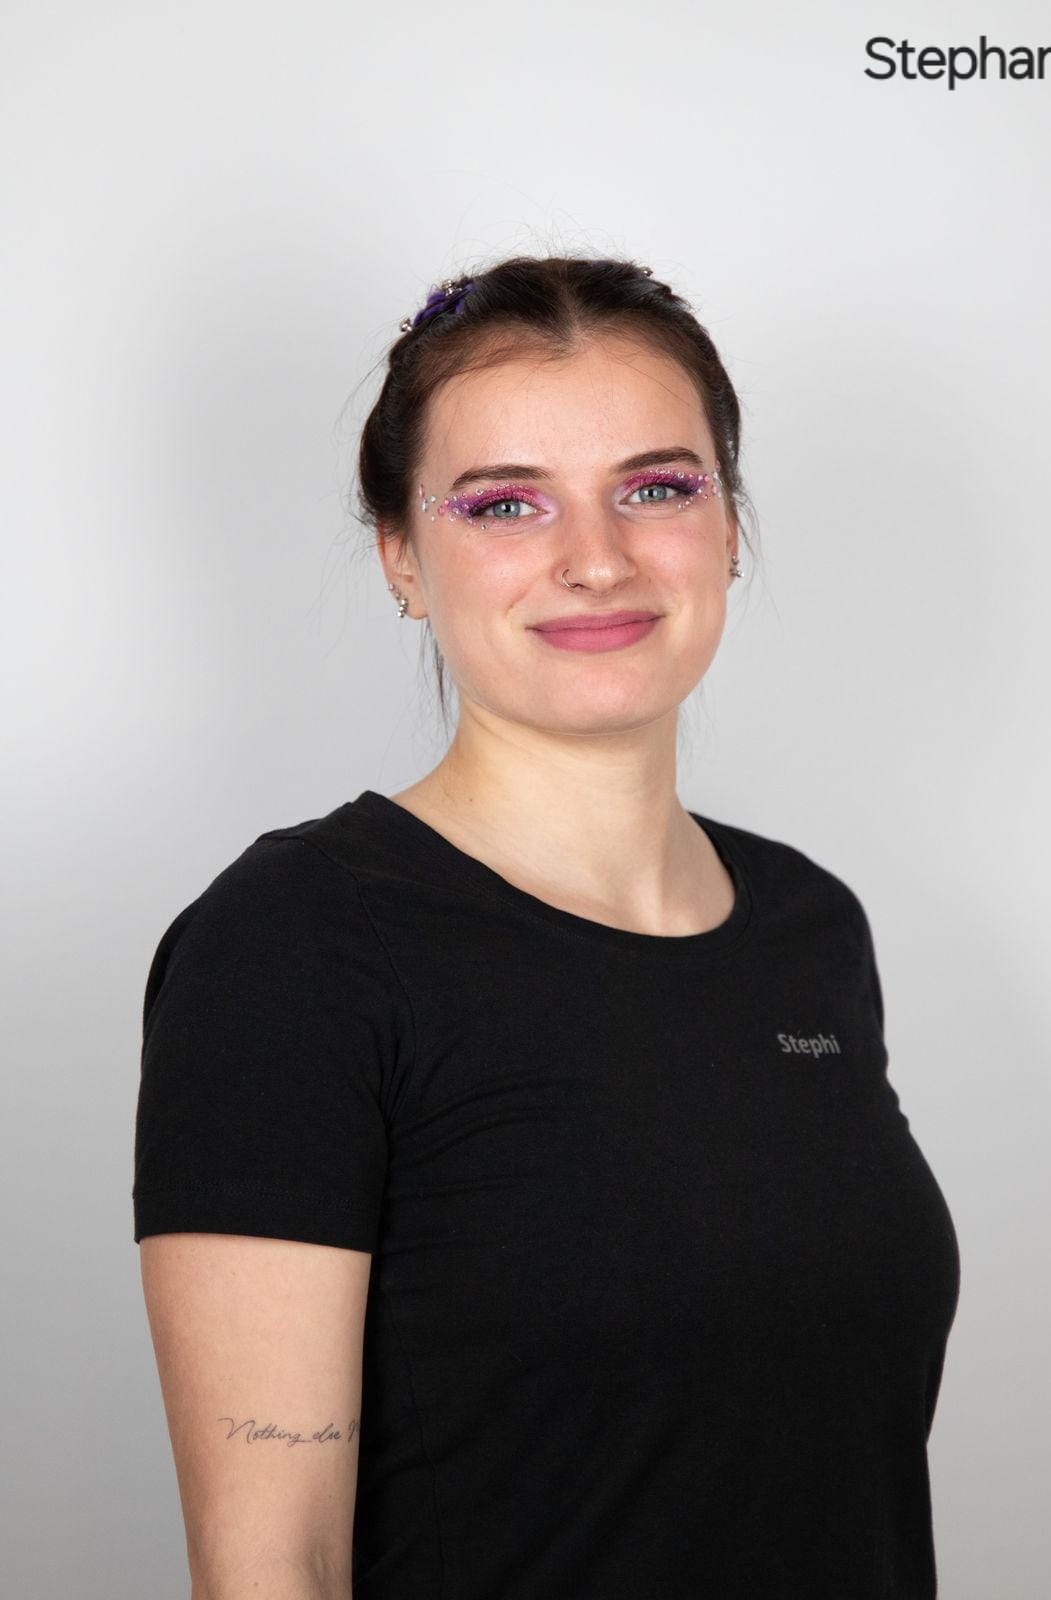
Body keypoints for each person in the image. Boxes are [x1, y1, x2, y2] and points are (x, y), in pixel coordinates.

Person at [133, 253, 961, 1599]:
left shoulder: (810, 926)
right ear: (401, 558)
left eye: (657, 487)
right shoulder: (294, 950)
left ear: (731, 526)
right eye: (505, 503)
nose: (597, 559)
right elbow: (271, 1568)